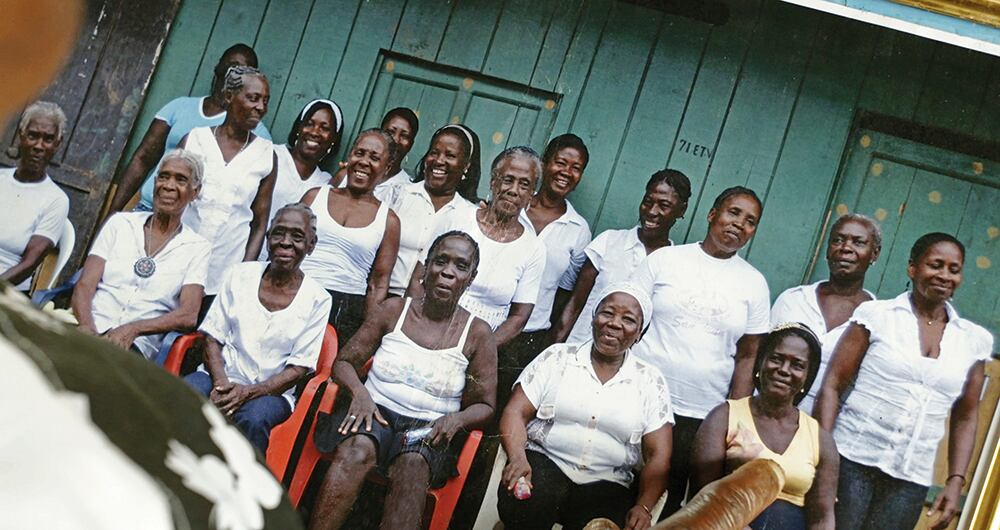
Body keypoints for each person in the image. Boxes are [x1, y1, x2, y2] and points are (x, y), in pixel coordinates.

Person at [308, 231, 497, 530]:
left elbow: (485, 405)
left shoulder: (477, 333)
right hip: (375, 412)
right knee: (356, 450)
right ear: (426, 268)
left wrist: (457, 419)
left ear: (470, 278)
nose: (448, 272)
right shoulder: (394, 310)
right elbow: (344, 362)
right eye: (441, 262)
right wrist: (359, 392)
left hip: (427, 429)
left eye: (460, 266)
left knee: (413, 469)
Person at [814, 232, 993, 530]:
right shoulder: (877, 316)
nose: (944, 275)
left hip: (911, 478)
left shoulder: (973, 340)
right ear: (912, 268)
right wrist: (823, 457)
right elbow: (833, 384)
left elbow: (966, 415)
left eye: (954, 269)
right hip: (851, 460)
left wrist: (955, 481)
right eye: (935, 265)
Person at [632, 185, 770, 518]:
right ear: (712, 214)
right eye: (733, 212)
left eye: (750, 221)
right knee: (618, 492)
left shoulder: (754, 284)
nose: (739, 224)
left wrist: (734, 421)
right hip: (640, 398)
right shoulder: (666, 260)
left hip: (699, 414)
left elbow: (748, 357)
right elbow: (629, 319)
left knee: (668, 506)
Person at [497, 284, 673, 530]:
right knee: (529, 506)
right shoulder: (557, 357)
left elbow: (659, 456)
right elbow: (515, 411)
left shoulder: (651, 382)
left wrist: (643, 506)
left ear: (640, 334)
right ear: (593, 317)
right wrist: (517, 458)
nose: (614, 323)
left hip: (608, 482)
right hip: (544, 464)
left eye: (628, 319)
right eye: (607, 313)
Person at [184, 203, 332, 452]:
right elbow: (212, 338)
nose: (285, 242)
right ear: (267, 239)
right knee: (184, 393)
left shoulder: (318, 299)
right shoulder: (240, 274)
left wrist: (249, 392)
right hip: (217, 377)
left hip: (271, 393)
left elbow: (297, 369)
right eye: (278, 233)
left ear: (311, 245)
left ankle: (237, 489)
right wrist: (222, 384)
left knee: (254, 419)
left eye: (297, 237)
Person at [690, 323, 838, 529]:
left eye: (797, 365)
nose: (784, 370)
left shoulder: (820, 439)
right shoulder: (724, 417)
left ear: (807, 377)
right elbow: (702, 496)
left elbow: (822, 517)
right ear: (761, 363)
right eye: (776, 359)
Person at [71, 150, 210, 359]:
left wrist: (133, 329)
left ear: (195, 191)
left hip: (137, 344)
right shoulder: (120, 224)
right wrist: (87, 327)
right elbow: (85, 284)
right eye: (163, 176)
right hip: (91, 324)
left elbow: (188, 314)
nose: (169, 186)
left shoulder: (197, 248)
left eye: (181, 180)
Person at [109, 43, 271, 213]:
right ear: (218, 65)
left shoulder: (257, 133)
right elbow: (143, 159)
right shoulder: (179, 107)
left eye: (244, 71)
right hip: (147, 208)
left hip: (191, 222)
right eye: (232, 65)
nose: (235, 72)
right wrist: (113, 213)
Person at [414, 147, 546, 347]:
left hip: (479, 345)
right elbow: (418, 277)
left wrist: (479, 349)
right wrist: (416, 326)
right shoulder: (457, 217)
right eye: (508, 179)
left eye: (524, 184)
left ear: (531, 195)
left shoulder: (533, 248)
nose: (513, 190)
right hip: (425, 330)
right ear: (493, 182)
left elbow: (519, 317)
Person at [178, 65, 278, 314]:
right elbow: (169, 200)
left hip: (222, 273)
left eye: (265, 101)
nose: (261, 108)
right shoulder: (195, 140)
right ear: (229, 96)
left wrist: (242, 273)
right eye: (253, 98)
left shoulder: (266, 155)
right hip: (177, 259)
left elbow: (259, 223)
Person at [552, 169, 690, 344]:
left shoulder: (676, 264)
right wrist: (555, 349)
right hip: (580, 347)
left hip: (628, 364)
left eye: (664, 205)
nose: (652, 211)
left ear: (681, 210)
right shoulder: (609, 241)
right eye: (648, 202)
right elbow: (575, 304)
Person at [299, 129, 401, 345]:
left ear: (387, 168)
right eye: (359, 153)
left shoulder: (388, 221)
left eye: (374, 158)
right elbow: (288, 246)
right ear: (349, 155)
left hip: (343, 309)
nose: (364, 162)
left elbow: (378, 283)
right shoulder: (314, 196)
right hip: (297, 291)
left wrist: (365, 337)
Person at [770, 214, 881, 412]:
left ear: (875, 254)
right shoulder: (793, 300)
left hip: (826, 432)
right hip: (766, 420)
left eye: (858, 242)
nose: (845, 248)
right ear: (828, 249)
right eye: (837, 240)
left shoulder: (879, 319)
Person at [384, 124, 478, 296]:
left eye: (450, 155)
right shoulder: (397, 195)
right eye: (434, 152)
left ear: (466, 166)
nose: (439, 160)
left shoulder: (469, 214)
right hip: (382, 295)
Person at [0, 101, 71, 291]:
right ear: (21, 136)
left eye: (48, 139)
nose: (39, 146)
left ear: (57, 144)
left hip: (7, 292)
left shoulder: (56, 201)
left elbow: (28, 264)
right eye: (32, 136)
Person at [333, 107, 419, 199]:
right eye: (390, 132)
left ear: (411, 144)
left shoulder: (408, 190)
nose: (396, 140)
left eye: (404, 136)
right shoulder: (347, 175)